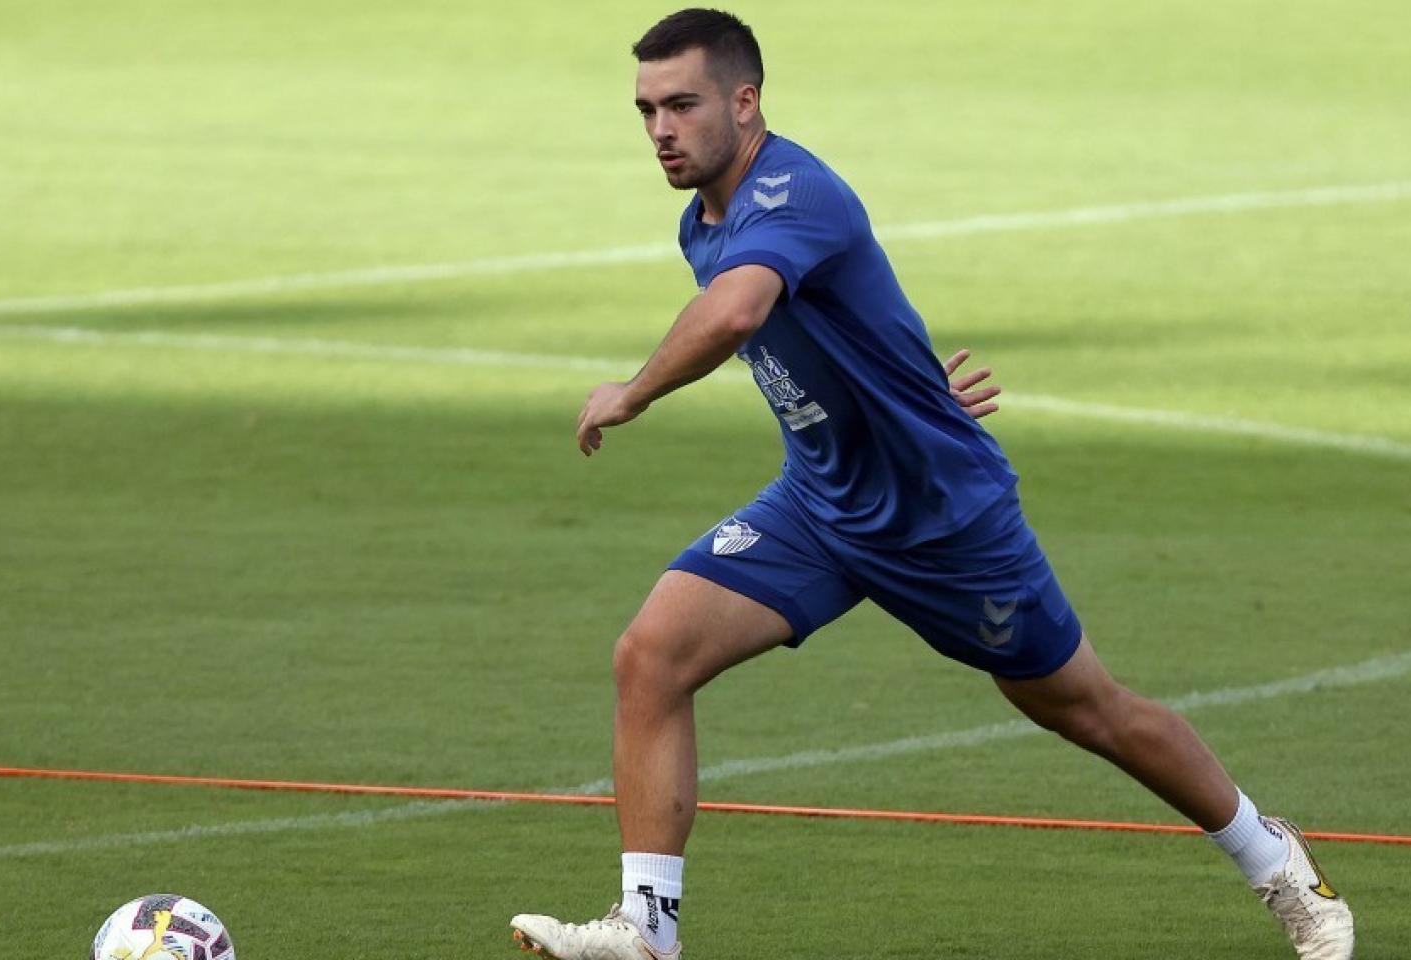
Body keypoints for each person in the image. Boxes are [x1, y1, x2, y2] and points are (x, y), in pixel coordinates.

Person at [511, 9, 1354, 959]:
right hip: (822, 507)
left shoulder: (796, 189)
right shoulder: (700, 222)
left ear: (745, 103)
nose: (661, 129)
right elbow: (828, 339)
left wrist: (633, 391)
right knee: (650, 656)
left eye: (683, 104)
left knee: (1089, 710)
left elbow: (741, 311)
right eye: (646, 110)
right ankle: (647, 928)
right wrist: (908, 393)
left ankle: (1276, 861)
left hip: (945, 523)